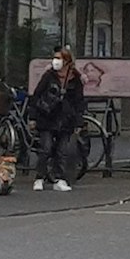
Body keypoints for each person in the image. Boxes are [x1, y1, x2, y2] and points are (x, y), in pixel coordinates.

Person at [30, 47, 84, 192]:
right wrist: (33, 117)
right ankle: (39, 178)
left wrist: (78, 121)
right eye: (55, 58)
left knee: (62, 151)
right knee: (45, 148)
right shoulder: (49, 76)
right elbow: (37, 95)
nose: (55, 61)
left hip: (66, 119)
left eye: (59, 58)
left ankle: (59, 179)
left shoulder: (75, 79)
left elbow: (79, 101)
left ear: (67, 61)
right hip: (47, 117)